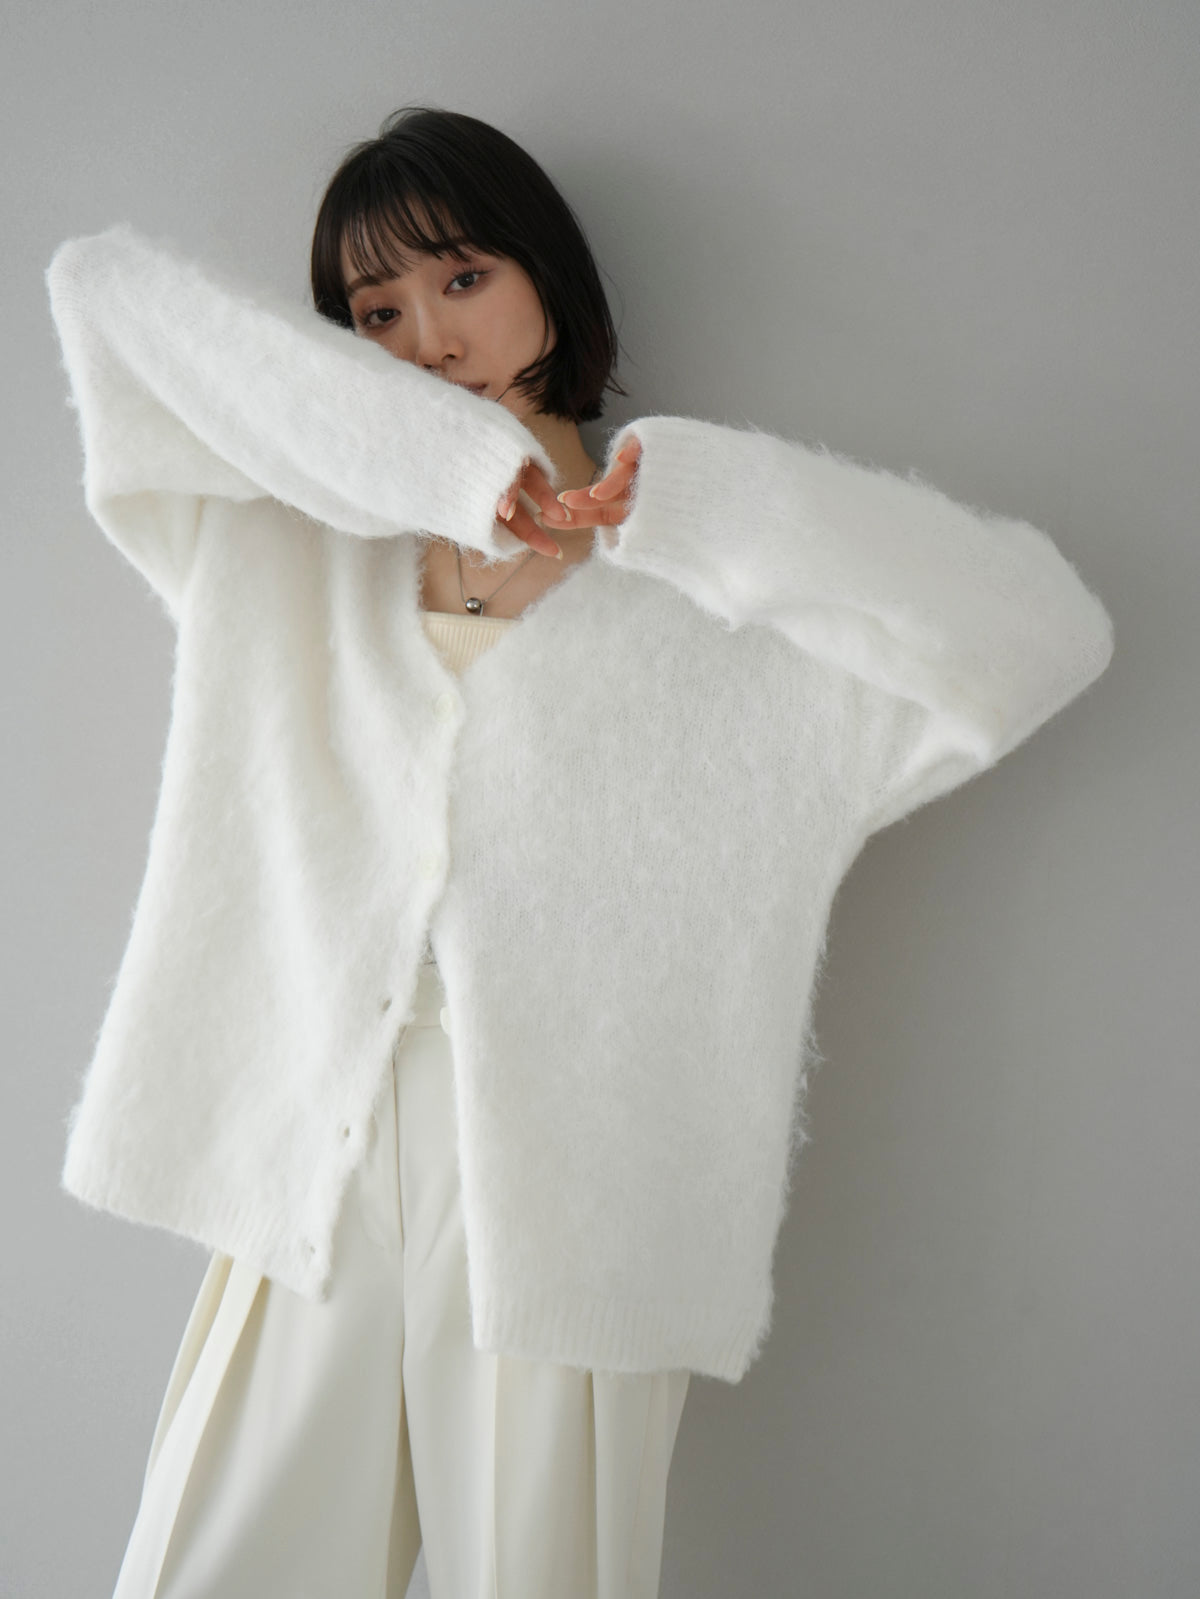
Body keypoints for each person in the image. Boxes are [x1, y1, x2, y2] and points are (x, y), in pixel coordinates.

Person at [44, 107, 1115, 1599]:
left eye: (461, 278)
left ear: (547, 276)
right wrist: (436, 469)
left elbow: (1042, 634)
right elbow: (102, 295)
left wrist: (701, 513)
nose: (429, 338)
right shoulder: (278, 551)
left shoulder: (724, 626)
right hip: (306, 1162)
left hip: (576, 1207)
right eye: (377, 311)